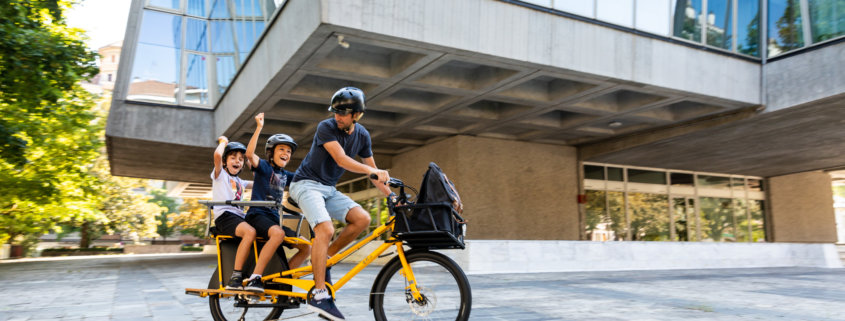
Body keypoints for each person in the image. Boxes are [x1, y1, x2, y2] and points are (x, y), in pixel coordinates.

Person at [290, 87, 391, 321]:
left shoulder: (362, 135)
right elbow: (341, 159)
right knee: (325, 229)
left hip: (328, 189)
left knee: (362, 219)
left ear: (357, 115)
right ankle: (319, 293)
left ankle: (325, 261)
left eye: (343, 113)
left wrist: (391, 195)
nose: (338, 117)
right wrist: (373, 170)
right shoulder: (326, 127)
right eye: (336, 112)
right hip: (305, 184)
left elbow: (372, 174)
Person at [242, 113, 311, 292]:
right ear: (271, 152)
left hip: (274, 220)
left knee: (306, 246)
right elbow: (249, 154)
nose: (286, 154)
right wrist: (259, 127)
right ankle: (255, 278)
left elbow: (305, 179)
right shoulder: (264, 167)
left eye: (288, 151)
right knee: (278, 234)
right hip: (257, 216)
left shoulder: (286, 175)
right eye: (282, 149)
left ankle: (284, 279)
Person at [210, 137, 257, 291]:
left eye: (241, 159)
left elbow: (259, 181)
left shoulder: (240, 181)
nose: (237, 161)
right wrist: (223, 142)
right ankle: (236, 275)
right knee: (250, 232)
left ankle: (255, 273)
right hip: (225, 216)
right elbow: (217, 156)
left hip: (238, 217)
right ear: (225, 162)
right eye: (233, 158)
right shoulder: (220, 176)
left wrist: (250, 162)